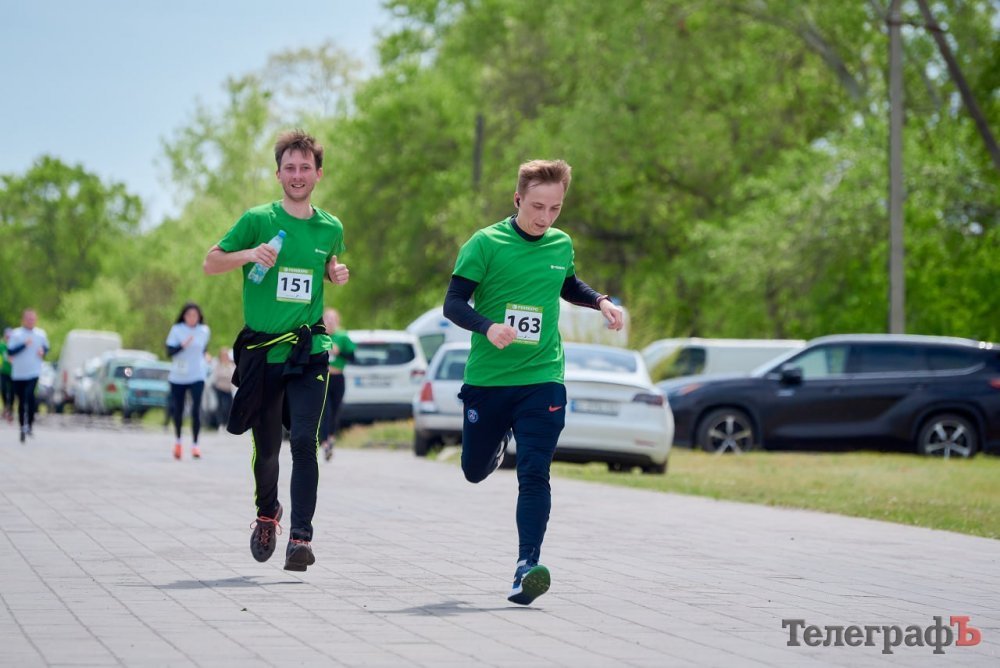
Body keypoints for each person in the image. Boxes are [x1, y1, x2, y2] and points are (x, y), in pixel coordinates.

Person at [443, 160, 624, 605]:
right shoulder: (485, 243)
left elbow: (567, 284)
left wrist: (600, 301)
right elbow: (453, 303)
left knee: (535, 471)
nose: (545, 218)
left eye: (555, 208)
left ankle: (527, 566)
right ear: (518, 199)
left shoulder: (561, 243)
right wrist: (487, 326)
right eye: (537, 207)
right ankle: (494, 444)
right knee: (473, 470)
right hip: (489, 380)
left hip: (543, 376)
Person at [203, 129, 349, 572]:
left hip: (309, 350)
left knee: (304, 440)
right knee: (267, 448)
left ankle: (301, 538)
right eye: (290, 168)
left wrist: (334, 273)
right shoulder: (257, 219)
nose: (297, 175)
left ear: (318, 174)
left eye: (305, 167)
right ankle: (268, 514)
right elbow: (211, 262)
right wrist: (249, 254)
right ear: (278, 174)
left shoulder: (330, 227)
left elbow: (324, 265)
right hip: (263, 353)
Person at [165, 302, 211, 459]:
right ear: (184, 316)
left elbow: (202, 348)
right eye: (189, 315)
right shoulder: (177, 330)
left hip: (197, 374)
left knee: (196, 409)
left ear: (199, 317)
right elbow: (169, 351)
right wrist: (182, 345)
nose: (192, 318)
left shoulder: (204, 330)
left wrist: (206, 355)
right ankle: (178, 442)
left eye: (195, 315)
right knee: (178, 409)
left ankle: (195, 445)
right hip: (178, 376)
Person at [7, 310, 51, 443]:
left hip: (33, 372)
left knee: (30, 396)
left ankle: (30, 423)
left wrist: (43, 351)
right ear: (23, 319)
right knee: (21, 400)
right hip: (18, 373)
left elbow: (46, 348)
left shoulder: (40, 334)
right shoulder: (16, 334)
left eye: (33, 319)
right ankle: (22, 425)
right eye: (28, 319)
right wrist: (24, 345)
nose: (31, 321)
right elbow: (10, 351)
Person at [319, 308, 355, 461]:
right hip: (323, 377)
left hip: (338, 377)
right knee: (325, 411)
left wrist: (338, 352)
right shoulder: (319, 335)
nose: (330, 322)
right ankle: (325, 442)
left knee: (335, 410)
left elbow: (352, 357)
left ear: (338, 321)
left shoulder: (342, 336)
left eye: (333, 319)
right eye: (327, 318)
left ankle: (331, 438)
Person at [210, 346, 236, 430]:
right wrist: (225, 376)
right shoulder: (218, 364)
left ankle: (227, 423)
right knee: (220, 406)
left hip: (228, 389)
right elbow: (217, 375)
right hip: (219, 388)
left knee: (229, 406)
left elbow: (233, 375)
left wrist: (225, 375)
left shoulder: (231, 365)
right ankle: (220, 423)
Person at [1, 328, 13, 423]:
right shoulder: (2, 345)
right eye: (7, 336)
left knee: (12, 391)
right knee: (3, 389)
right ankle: (6, 406)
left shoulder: (14, 346)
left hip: (14, 373)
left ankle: (10, 409)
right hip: (3, 371)